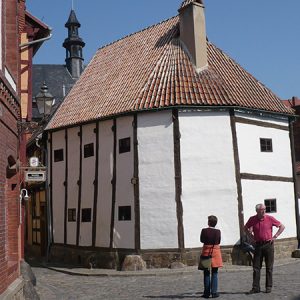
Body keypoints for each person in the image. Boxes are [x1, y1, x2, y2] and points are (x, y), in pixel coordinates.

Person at [244, 203, 285, 294]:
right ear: (257, 211)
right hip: (258, 245)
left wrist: (275, 236)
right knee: (256, 267)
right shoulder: (252, 219)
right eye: (262, 210)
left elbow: (282, 226)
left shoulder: (270, 218)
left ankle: (268, 287)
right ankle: (255, 287)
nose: (264, 211)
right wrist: (251, 237)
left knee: (269, 267)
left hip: (268, 245)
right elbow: (245, 228)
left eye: (265, 209)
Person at [200, 215, 223, 298]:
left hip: (206, 252)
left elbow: (202, 240)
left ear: (209, 222)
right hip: (215, 252)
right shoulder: (218, 231)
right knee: (215, 272)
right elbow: (219, 241)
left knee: (206, 273)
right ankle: (214, 292)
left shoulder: (204, 230)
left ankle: (206, 293)